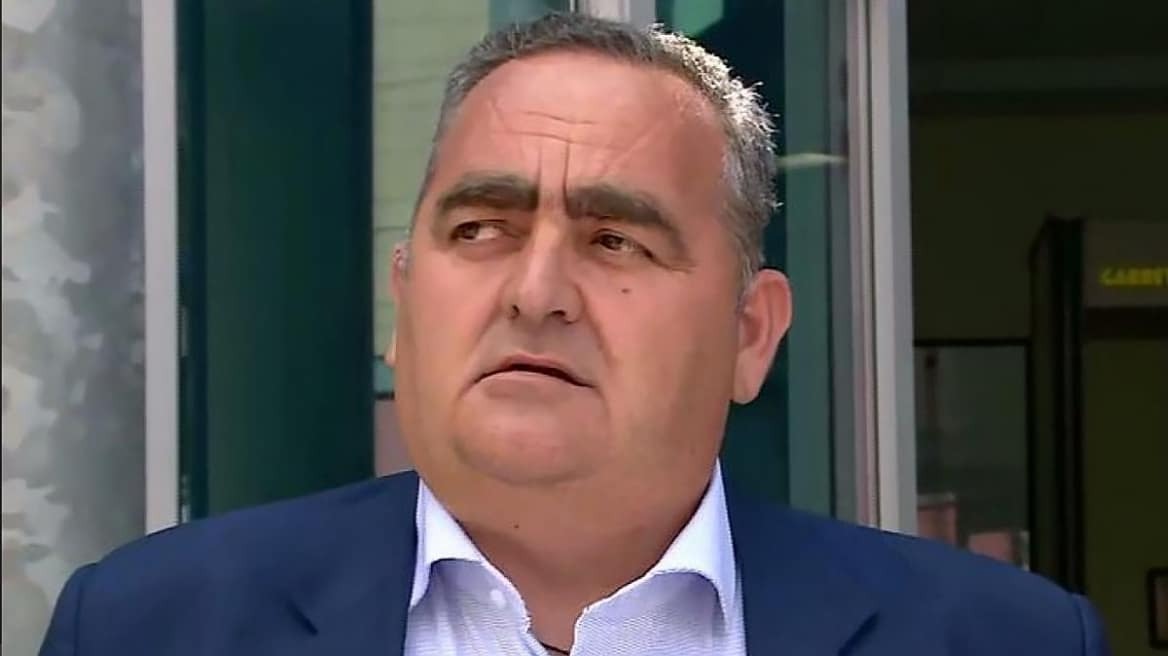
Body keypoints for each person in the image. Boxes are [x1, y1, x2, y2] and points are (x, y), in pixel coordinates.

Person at [40, 13, 1108, 656]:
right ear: (403, 303)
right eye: (480, 229)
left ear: (751, 334)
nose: (536, 290)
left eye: (614, 241)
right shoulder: (151, 626)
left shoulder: (998, 640)